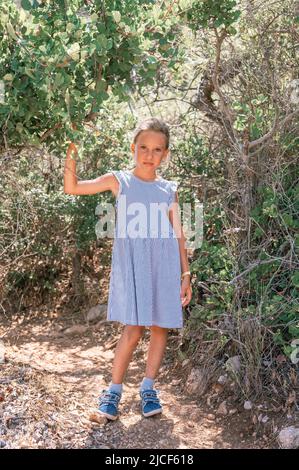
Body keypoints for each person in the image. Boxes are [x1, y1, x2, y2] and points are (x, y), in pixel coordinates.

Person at [64, 117, 192, 420]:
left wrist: (186, 275)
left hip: (165, 264)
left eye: (157, 150)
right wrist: (71, 148)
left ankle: (148, 388)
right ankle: (113, 392)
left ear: (166, 154)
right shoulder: (118, 180)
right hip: (135, 264)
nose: (150, 155)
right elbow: (72, 187)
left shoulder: (167, 189)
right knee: (133, 328)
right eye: (144, 147)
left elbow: (179, 233)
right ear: (133, 148)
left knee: (160, 326)